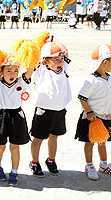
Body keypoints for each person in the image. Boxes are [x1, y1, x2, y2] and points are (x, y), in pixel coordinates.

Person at [0, 41, 38, 186]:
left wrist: (29, 52)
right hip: (1, 117)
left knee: (15, 147)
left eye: (16, 70)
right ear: (1, 71)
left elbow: (31, 68)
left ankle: (14, 171)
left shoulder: (22, 82)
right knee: (0, 146)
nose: (12, 74)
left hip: (17, 117)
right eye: (8, 70)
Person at [29, 36, 72, 178]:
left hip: (59, 111)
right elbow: (32, 61)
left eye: (60, 59)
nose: (60, 62)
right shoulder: (41, 70)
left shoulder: (64, 68)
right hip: (44, 111)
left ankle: (51, 160)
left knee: (54, 137)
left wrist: (53, 39)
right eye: (55, 60)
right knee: (38, 138)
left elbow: (65, 51)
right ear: (45, 61)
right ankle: (34, 162)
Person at [75, 44, 111, 180]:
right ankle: (89, 165)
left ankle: (103, 164)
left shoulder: (109, 78)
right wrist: (89, 112)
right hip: (93, 118)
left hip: (106, 116)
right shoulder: (91, 80)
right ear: (105, 62)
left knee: (103, 141)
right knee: (90, 142)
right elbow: (82, 97)